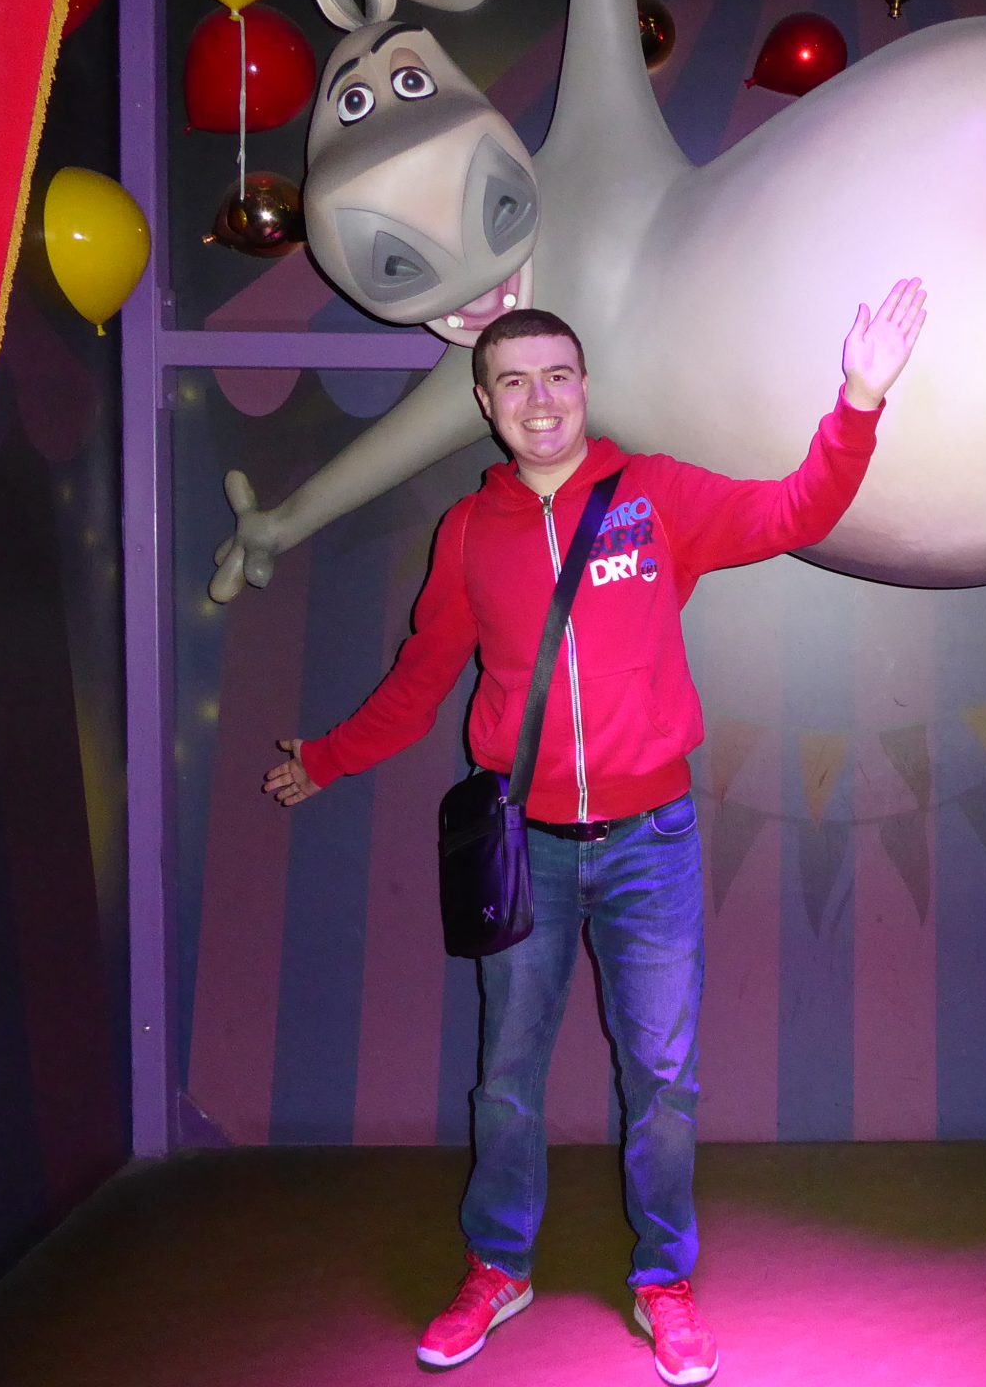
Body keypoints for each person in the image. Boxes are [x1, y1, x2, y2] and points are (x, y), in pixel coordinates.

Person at [261, 279, 928, 1384]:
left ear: (585, 389)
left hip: (651, 842)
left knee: (662, 1081)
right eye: (515, 383)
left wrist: (858, 399)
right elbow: (420, 681)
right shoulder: (467, 533)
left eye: (558, 378)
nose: (540, 401)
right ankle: (498, 1267)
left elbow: (795, 512)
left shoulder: (652, 496)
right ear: (485, 403)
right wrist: (326, 758)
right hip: (525, 848)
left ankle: (665, 1281)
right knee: (505, 1079)